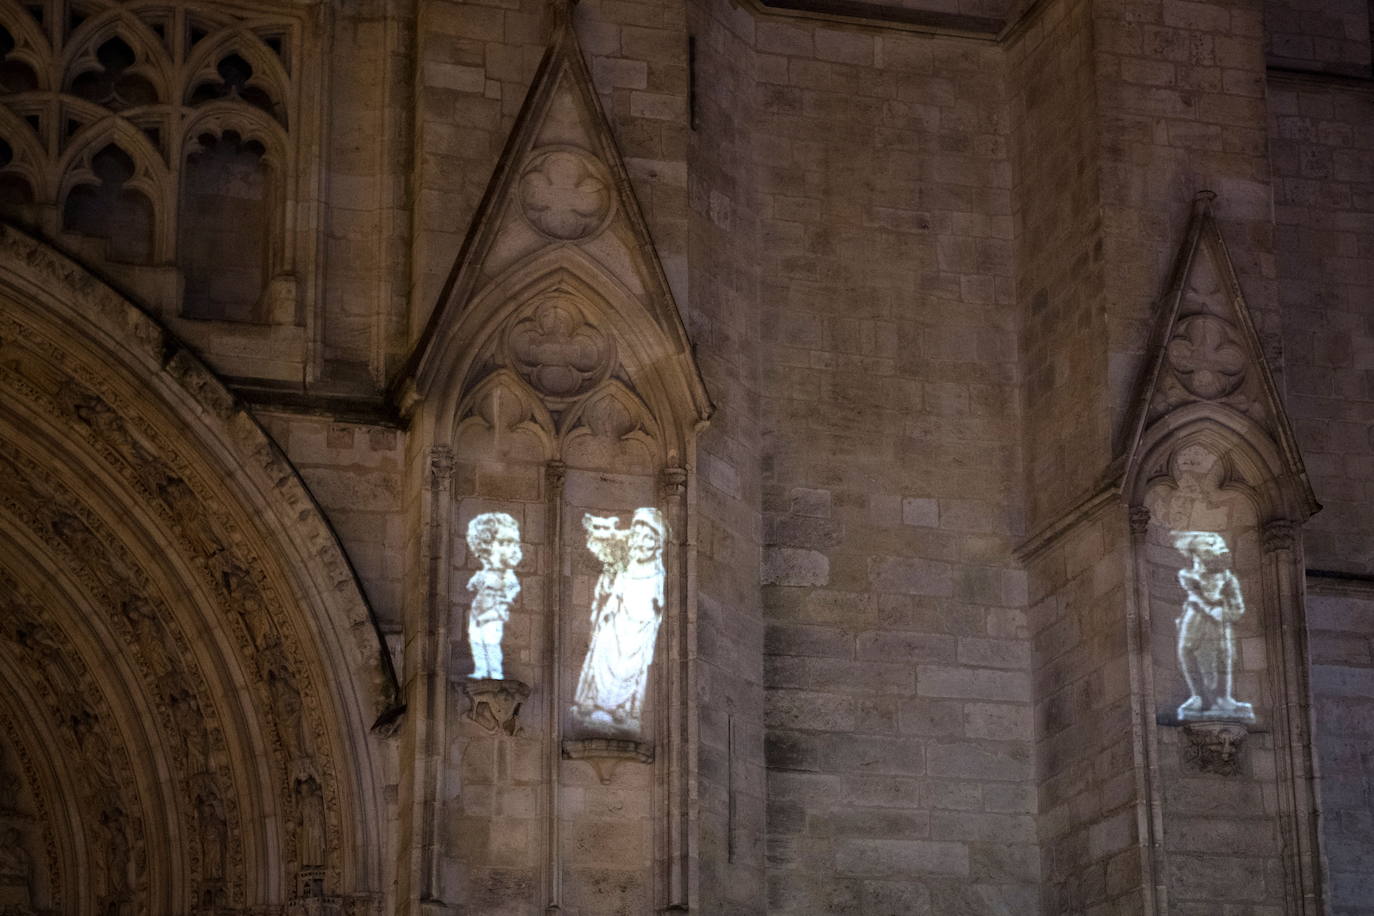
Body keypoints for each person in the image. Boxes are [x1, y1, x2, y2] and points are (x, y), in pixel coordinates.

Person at [573, 508, 667, 735]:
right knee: (603, 647)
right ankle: (593, 699)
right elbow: (612, 588)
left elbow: (659, 605)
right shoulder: (627, 563)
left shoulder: (658, 572)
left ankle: (622, 706)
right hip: (618, 620)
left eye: (649, 539)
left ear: (657, 545)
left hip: (641, 628)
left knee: (633, 667)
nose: (642, 543)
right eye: (638, 537)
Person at [1173, 531, 1254, 722]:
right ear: (1196, 552)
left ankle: (1224, 698)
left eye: (1216, 544)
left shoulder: (1227, 578)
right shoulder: (1188, 575)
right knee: (1186, 651)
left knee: (1223, 656)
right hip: (1194, 619)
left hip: (1219, 623)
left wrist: (1224, 613)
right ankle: (1197, 696)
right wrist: (1209, 607)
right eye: (1209, 544)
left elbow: (1237, 606)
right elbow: (1196, 594)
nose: (1215, 547)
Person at [466, 512, 522, 680]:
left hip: (493, 613)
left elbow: (512, 591)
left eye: (513, 543)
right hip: (478, 610)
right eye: (504, 543)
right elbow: (474, 585)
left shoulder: (508, 575)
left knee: (491, 641)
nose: (511, 548)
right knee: (476, 640)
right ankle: (481, 669)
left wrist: (504, 600)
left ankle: (495, 672)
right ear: (486, 546)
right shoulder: (484, 573)